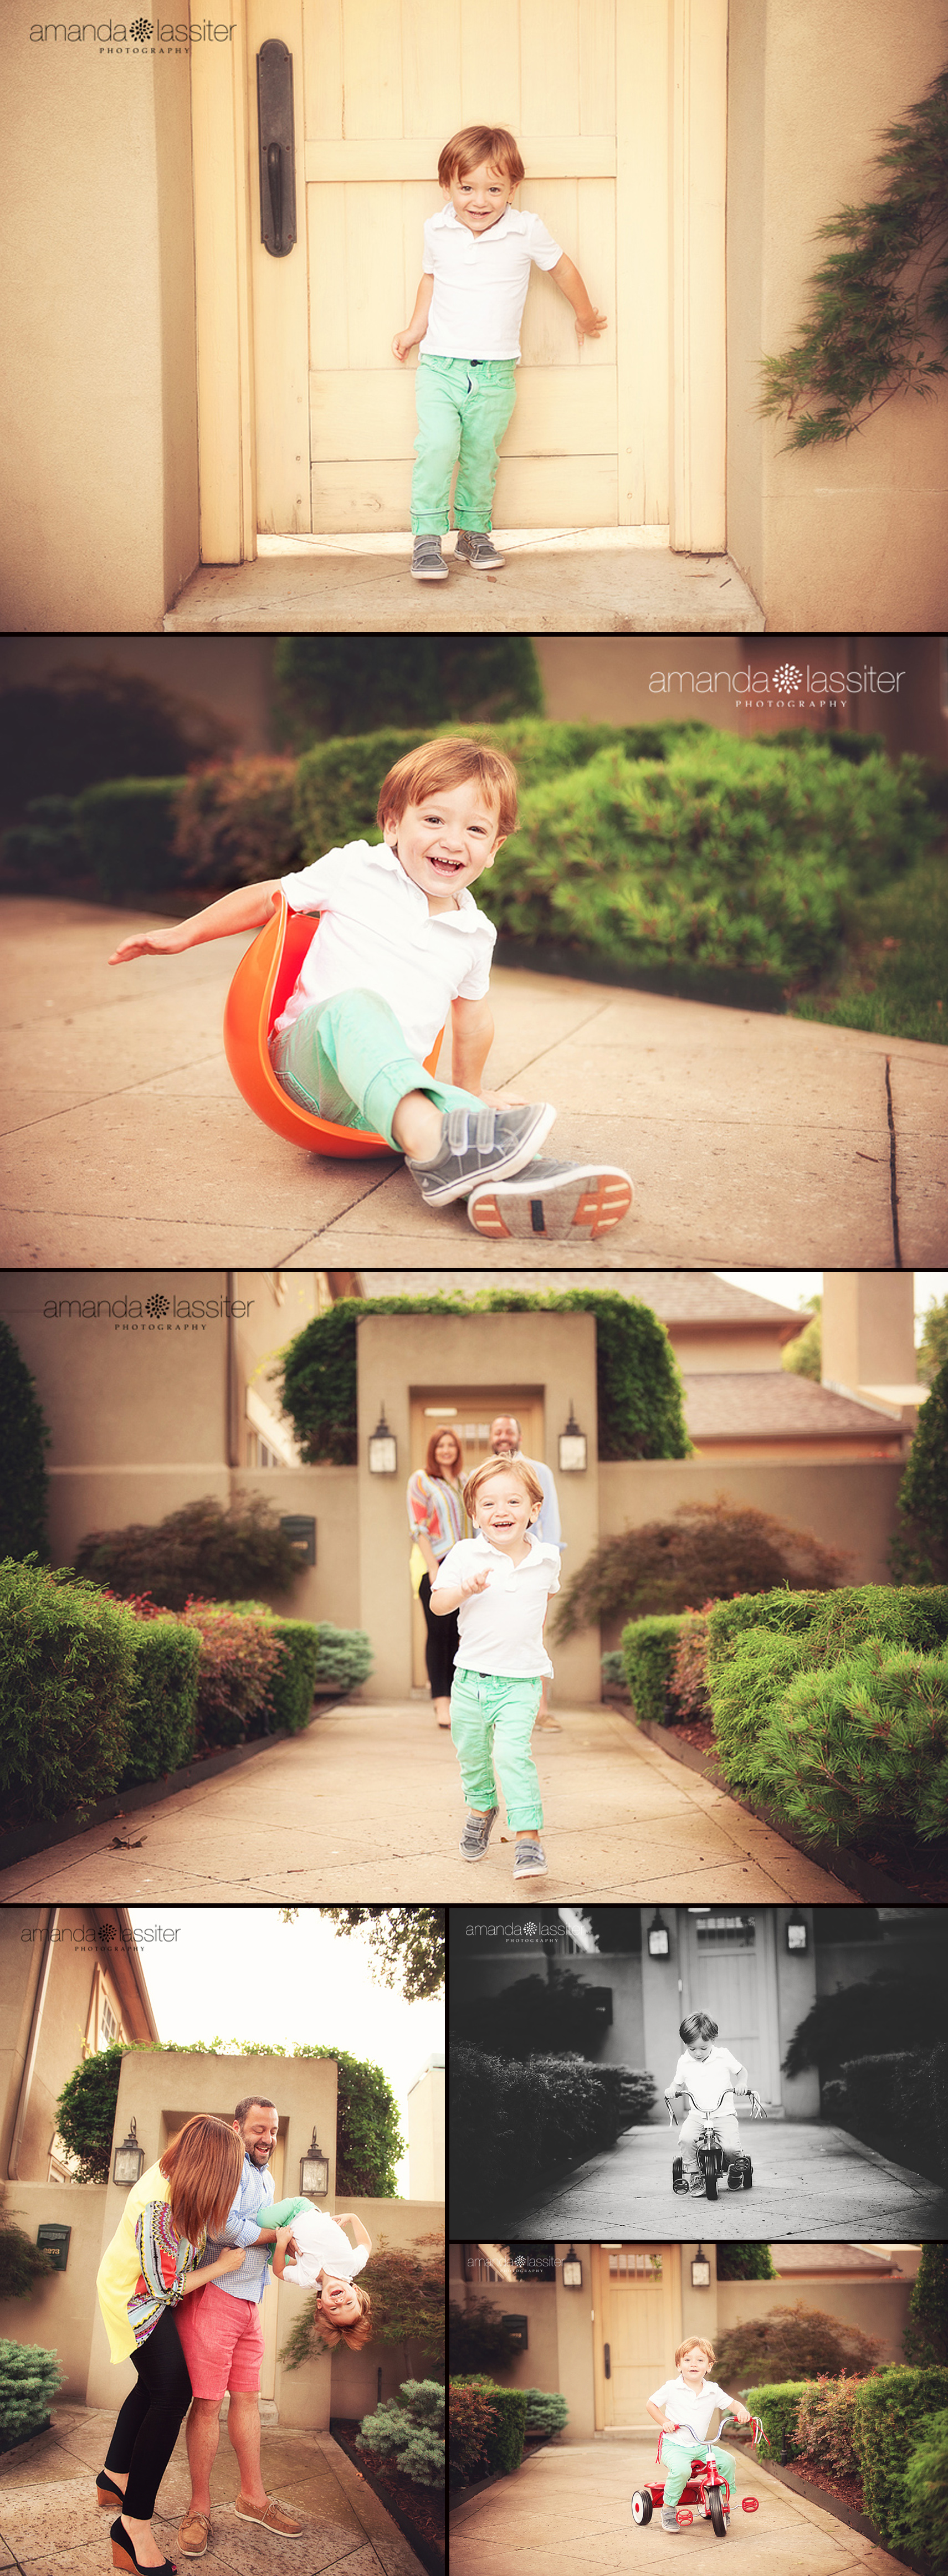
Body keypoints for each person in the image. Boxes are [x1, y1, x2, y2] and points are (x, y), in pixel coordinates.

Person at [107, 737, 633, 1247]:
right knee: (362, 1008)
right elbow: (268, 897)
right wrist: (183, 934)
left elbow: (472, 1018)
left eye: (475, 829)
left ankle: (521, 1183)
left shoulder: (476, 934)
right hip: (305, 1068)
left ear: (494, 850)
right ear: (391, 825)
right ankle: (441, 1150)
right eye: (433, 819)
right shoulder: (357, 869)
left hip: (381, 1099)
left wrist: (469, 1089)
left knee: (462, 1110)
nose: (453, 841)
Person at [392, 124, 606, 581]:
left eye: (493, 189)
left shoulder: (525, 229)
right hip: (440, 367)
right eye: (466, 188)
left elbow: (562, 269)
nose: (478, 201)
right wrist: (415, 327)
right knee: (436, 446)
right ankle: (427, 538)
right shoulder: (437, 228)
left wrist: (584, 315)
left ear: (513, 187)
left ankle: (473, 532)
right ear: (446, 185)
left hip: (494, 372)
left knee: (481, 454)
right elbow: (430, 279)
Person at [95, 2114, 248, 2575]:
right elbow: (167, 2286)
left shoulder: (174, 2178)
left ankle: (112, 2477)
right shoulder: (161, 2201)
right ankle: (134, 2525)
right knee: (172, 2393)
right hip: (134, 2298)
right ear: (212, 2167)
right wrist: (225, 2266)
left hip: (143, 2288)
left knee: (153, 2384)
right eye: (230, 2171)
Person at [173, 2097, 305, 2557]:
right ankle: (199, 2507)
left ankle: (253, 2497)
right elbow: (219, 2225)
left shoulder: (265, 2177)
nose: (267, 2137)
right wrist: (276, 2236)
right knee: (207, 2406)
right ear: (237, 2128)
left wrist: (296, 2247)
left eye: (272, 2129)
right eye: (258, 2128)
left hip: (250, 2302)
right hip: (215, 2298)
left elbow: (261, 2236)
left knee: (247, 2400)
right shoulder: (228, 2166)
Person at [431, 1451, 561, 1880]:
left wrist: (530, 1653)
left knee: (512, 1755)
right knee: (471, 1755)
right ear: (473, 1513)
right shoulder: (466, 1554)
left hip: (521, 1683)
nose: (500, 1511)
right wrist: (464, 1590)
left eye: (512, 1501)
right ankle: (482, 1805)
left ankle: (528, 1840)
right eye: (488, 1503)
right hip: (469, 1680)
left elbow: (542, 1599)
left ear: (533, 1510)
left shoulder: (547, 1559)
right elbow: (437, 1604)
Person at [488, 1412, 563, 1728]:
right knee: (493, 1635)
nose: (503, 1436)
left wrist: (550, 1565)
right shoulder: (483, 1474)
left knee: (534, 1636)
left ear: (519, 1437)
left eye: (509, 1431)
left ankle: (541, 1712)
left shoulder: (540, 1472)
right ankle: (496, 1711)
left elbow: (552, 1521)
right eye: (498, 1432)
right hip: (492, 1569)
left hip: (532, 1569)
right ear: (492, 1438)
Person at [646, 2336, 751, 2535]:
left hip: (702, 2445)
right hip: (675, 2444)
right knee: (681, 2471)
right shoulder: (672, 2387)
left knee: (728, 2462)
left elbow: (733, 2404)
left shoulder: (713, 2390)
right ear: (679, 2365)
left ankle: (722, 2504)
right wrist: (664, 2422)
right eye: (687, 2360)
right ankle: (669, 2508)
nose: (693, 2364)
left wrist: (741, 2411)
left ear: (709, 2367)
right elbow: (651, 2404)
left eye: (700, 2360)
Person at [407, 1428, 469, 1725]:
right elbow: (418, 1527)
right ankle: (441, 1705)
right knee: (439, 1634)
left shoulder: (465, 1481)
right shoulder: (421, 1480)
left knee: (460, 1636)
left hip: (463, 1567)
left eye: (451, 1445)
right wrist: (434, 1567)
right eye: (440, 1445)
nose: (446, 1450)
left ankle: (458, 1701)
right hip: (434, 1564)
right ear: (433, 1450)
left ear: (458, 1450)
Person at [260, 2198, 375, 2351]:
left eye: (334, 2310)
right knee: (263, 2220)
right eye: (349, 2303)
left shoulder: (307, 2280)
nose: (340, 2302)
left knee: (269, 2257)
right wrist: (353, 2218)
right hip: (300, 2210)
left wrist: (282, 2243)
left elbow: (279, 2272)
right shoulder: (351, 2266)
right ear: (356, 2291)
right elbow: (366, 2245)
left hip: (285, 2235)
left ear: (320, 2304)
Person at [664, 2011, 751, 2194]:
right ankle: (695, 2174)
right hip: (697, 2115)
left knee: (731, 2148)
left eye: (703, 2048)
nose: (697, 2053)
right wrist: (672, 2089)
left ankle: (736, 2169)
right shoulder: (684, 2061)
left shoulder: (723, 2056)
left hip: (723, 2114)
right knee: (686, 2139)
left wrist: (742, 2083)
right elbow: (678, 2082)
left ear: (713, 2040)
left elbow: (741, 2071)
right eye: (691, 2048)